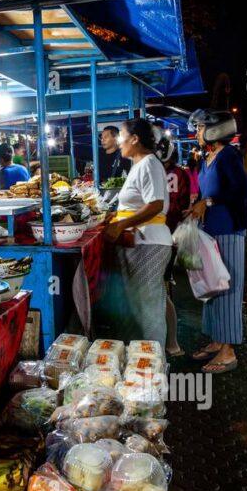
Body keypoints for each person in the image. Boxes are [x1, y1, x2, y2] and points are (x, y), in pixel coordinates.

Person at [185, 109, 247, 374]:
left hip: (228, 230)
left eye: (201, 128)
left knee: (228, 289)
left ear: (216, 130)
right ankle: (217, 339)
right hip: (210, 231)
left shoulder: (229, 157)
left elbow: (243, 191)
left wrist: (208, 202)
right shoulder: (207, 157)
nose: (197, 133)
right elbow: (205, 192)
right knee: (212, 286)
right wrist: (196, 207)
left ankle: (229, 351)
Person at [101, 118, 172, 347]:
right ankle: (138, 361)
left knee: (147, 307)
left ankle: (155, 365)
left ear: (135, 138)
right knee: (137, 305)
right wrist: (117, 216)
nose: (119, 141)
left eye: (121, 135)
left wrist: (121, 224)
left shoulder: (150, 163)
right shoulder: (138, 164)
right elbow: (137, 203)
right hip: (139, 243)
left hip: (149, 242)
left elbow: (155, 205)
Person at [160, 138, 190, 356]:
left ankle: (172, 343)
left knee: (163, 289)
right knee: (164, 286)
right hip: (168, 233)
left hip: (165, 234)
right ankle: (170, 342)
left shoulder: (162, 173)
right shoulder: (180, 173)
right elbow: (185, 201)